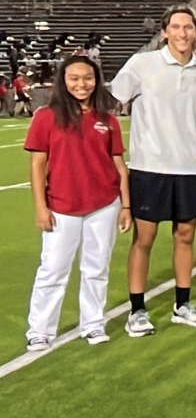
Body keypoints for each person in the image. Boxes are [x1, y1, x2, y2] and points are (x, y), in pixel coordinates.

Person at [110, 5, 196, 336]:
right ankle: (137, 310)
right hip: (149, 166)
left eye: (189, 27)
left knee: (185, 235)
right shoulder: (143, 64)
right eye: (176, 26)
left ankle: (182, 305)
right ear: (164, 31)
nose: (183, 33)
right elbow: (115, 97)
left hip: (189, 166)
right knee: (145, 238)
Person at [24, 56, 131, 351]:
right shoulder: (46, 116)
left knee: (97, 268)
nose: (81, 84)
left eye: (88, 78)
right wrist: (41, 207)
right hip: (61, 205)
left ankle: (93, 323)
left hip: (104, 204)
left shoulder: (107, 119)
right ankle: (40, 329)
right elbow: (37, 166)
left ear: (97, 80)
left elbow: (118, 163)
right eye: (74, 78)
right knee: (53, 269)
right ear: (63, 81)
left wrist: (126, 205)